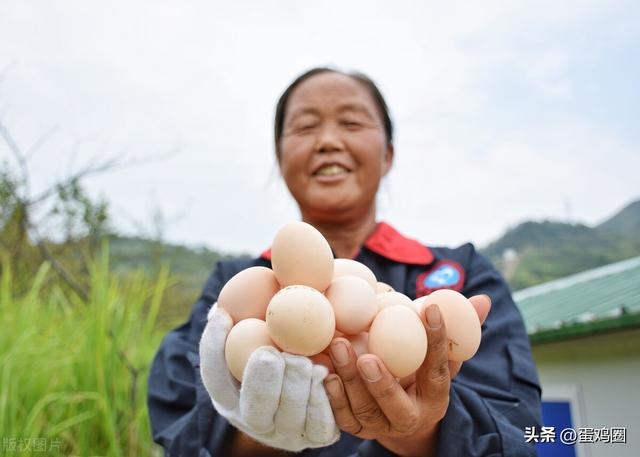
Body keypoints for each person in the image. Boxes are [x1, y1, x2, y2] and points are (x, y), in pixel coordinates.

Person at [147, 67, 543, 456]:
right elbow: (178, 424)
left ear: (388, 154)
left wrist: (419, 433)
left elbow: (518, 432)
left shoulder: (459, 276)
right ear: (280, 158)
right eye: (305, 127)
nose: (328, 141)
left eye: (352, 123)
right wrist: (251, 435)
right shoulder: (236, 287)